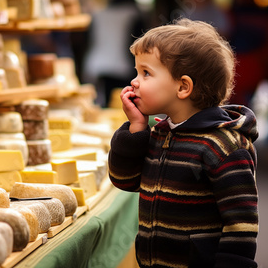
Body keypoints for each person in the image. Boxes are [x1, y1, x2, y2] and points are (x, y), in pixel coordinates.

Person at [108, 18, 259, 268]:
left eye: (146, 73)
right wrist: (136, 128)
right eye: (137, 71)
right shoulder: (160, 133)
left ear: (183, 87)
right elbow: (125, 180)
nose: (134, 81)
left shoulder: (224, 146)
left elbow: (241, 225)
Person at [82, 0, 146, 107]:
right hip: (122, 68)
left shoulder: (98, 14)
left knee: (99, 108)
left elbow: (88, 41)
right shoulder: (133, 13)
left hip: (95, 66)